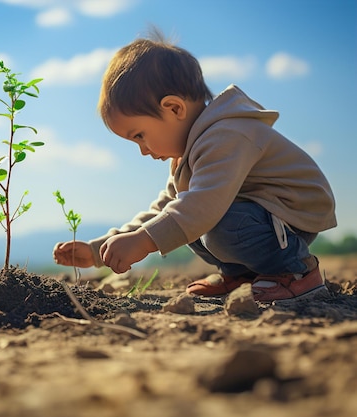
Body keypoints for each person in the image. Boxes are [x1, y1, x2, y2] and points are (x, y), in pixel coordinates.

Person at [52, 31, 336, 303]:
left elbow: (201, 207)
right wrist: (99, 249)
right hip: (263, 217)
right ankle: (243, 275)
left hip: (292, 215)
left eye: (139, 135)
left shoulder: (226, 135)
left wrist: (143, 241)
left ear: (174, 108)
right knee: (179, 219)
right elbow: (163, 211)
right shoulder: (188, 154)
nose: (142, 150)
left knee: (205, 221)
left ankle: (296, 270)